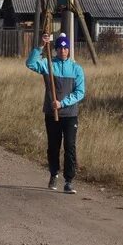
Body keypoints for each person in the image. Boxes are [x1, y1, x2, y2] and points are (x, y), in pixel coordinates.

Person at [26, 32, 85, 194]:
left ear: (69, 50)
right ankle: (54, 174)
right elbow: (30, 64)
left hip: (70, 114)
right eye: (60, 48)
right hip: (52, 114)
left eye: (65, 48)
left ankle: (69, 181)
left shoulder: (76, 69)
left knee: (70, 146)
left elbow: (80, 92)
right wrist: (40, 46)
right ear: (56, 49)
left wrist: (62, 103)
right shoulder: (48, 64)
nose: (63, 51)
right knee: (53, 146)